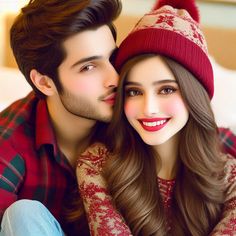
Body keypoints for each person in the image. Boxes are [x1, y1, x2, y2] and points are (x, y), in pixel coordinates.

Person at [76, 0, 236, 235]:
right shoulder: (97, 166)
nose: (149, 108)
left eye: (166, 89)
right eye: (134, 91)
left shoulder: (229, 176)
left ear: (194, 95)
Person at [0, 0, 122, 235]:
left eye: (112, 58)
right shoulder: (9, 145)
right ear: (45, 82)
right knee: (24, 215)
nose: (114, 78)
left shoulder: (140, 113)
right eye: (88, 67)